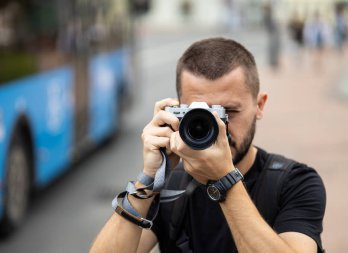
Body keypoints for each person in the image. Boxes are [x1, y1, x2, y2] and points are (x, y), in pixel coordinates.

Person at [90, 37, 326, 253]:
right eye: (200, 115)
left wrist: (225, 180)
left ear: (260, 105)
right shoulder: (168, 186)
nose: (218, 128)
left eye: (229, 112)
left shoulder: (295, 182)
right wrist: (149, 178)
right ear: (177, 110)